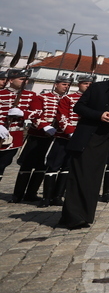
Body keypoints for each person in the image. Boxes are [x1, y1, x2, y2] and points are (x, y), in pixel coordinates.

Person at [59, 60, 109, 230]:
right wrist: (99, 115)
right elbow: (79, 107)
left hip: (106, 139)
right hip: (88, 138)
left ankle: (85, 216)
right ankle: (72, 217)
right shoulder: (97, 88)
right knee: (79, 176)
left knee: (93, 178)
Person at [40, 74, 93, 207]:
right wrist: (69, 131)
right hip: (64, 137)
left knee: (67, 167)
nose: (88, 86)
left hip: (80, 138)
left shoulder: (93, 101)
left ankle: (58, 196)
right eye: (85, 83)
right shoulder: (68, 98)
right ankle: (47, 197)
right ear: (79, 84)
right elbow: (62, 116)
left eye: (90, 84)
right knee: (53, 166)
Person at [12, 75, 62, 203]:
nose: (65, 87)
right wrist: (44, 126)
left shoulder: (64, 99)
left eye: (67, 85)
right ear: (56, 84)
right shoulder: (42, 97)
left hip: (52, 136)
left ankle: (31, 193)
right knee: (27, 164)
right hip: (37, 134)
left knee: (42, 165)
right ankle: (18, 194)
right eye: (63, 84)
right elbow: (35, 113)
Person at [1, 69, 39, 200]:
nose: (25, 82)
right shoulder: (1, 93)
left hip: (15, 134)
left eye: (26, 79)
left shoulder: (31, 95)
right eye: (22, 79)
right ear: (10, 80)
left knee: (4, 163)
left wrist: (23, 113)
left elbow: (37, 112)